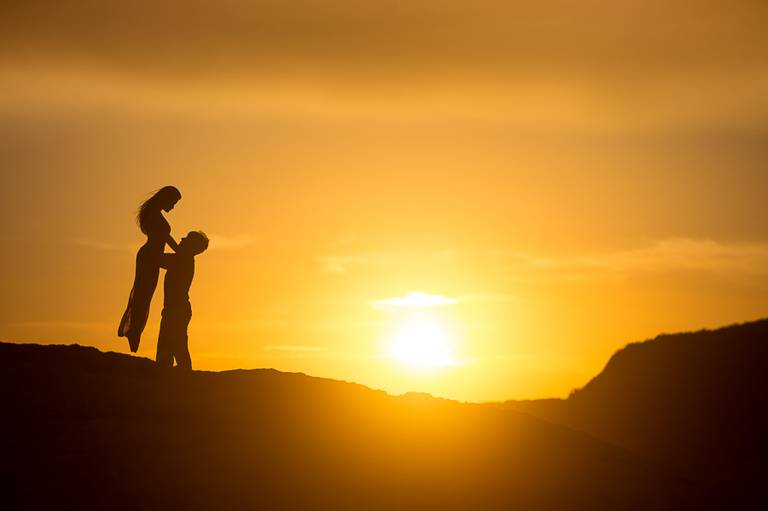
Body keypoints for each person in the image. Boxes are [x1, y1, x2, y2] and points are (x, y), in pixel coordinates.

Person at [118, 186, 182, 352]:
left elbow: (165, 238)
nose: (173, 207)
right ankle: (133, 333)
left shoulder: (154, 214)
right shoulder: (154, 215)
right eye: (173, 202)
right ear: (166, 199)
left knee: (145, 296)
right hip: (150, 257)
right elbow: (164, 237)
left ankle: (134, 333)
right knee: (142, 296)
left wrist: (179, 253)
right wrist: (180, 253)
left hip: (152, 257)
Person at [155, 231, 209, 370]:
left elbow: (157, 259)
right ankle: (177, 377)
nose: (182, 239)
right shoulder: (183, 258)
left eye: (187, 239)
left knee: (174, 345)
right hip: (176, 309)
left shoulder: (184, 260)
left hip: (177, 310)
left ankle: (183, 378)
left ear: (192, 246)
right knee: (171, 345)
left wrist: (163, 236)